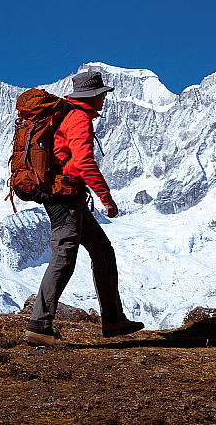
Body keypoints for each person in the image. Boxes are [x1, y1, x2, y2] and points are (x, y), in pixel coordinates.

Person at [24, 71, 145, 345]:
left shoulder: (73, 114)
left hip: (71, 197)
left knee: (102, 250)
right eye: (102, 93)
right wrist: (106, 198)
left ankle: (113, 319)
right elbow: (83, 163)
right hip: (63, 198)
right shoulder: (78, 119)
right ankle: (39, 326)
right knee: (64, 257)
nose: (104, 98)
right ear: (92, 96)